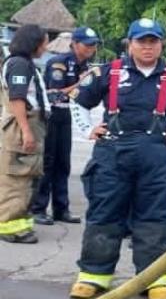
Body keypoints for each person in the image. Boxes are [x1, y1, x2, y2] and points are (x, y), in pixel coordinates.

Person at [68, 18, 166, 299]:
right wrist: (87, 130)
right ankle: (93, 275)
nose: (147, 46)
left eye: (152, 41)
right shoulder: (109, 72)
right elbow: (77, 100)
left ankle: (153, 278)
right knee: (104, 213)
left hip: (157, 157)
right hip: (111, 155)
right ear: (129, 44)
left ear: (161, 44)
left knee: (154, 218)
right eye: (141, 41)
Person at [30, 26, 98, 226]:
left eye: (93, 45)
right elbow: (54, 93)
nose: (91, 49)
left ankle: (61, 208)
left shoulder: (85, 65)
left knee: (63, 163)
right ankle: (38, 208)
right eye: (87, 45)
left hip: (66, 115)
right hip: (50, 115)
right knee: (48, 163)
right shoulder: (58, 63)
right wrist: (82, 83)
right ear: (75, 44)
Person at [0, 24, 49, 244]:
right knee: (17, 177)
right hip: (23, 125)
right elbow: (17, 99)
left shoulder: (25, 64)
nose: (46, 46)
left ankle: (20, 222)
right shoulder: (19, 64)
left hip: (30, 123)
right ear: (34, 42)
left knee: (28, 176)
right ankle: (10, 226)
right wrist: (26, 131)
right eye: (44, 41)